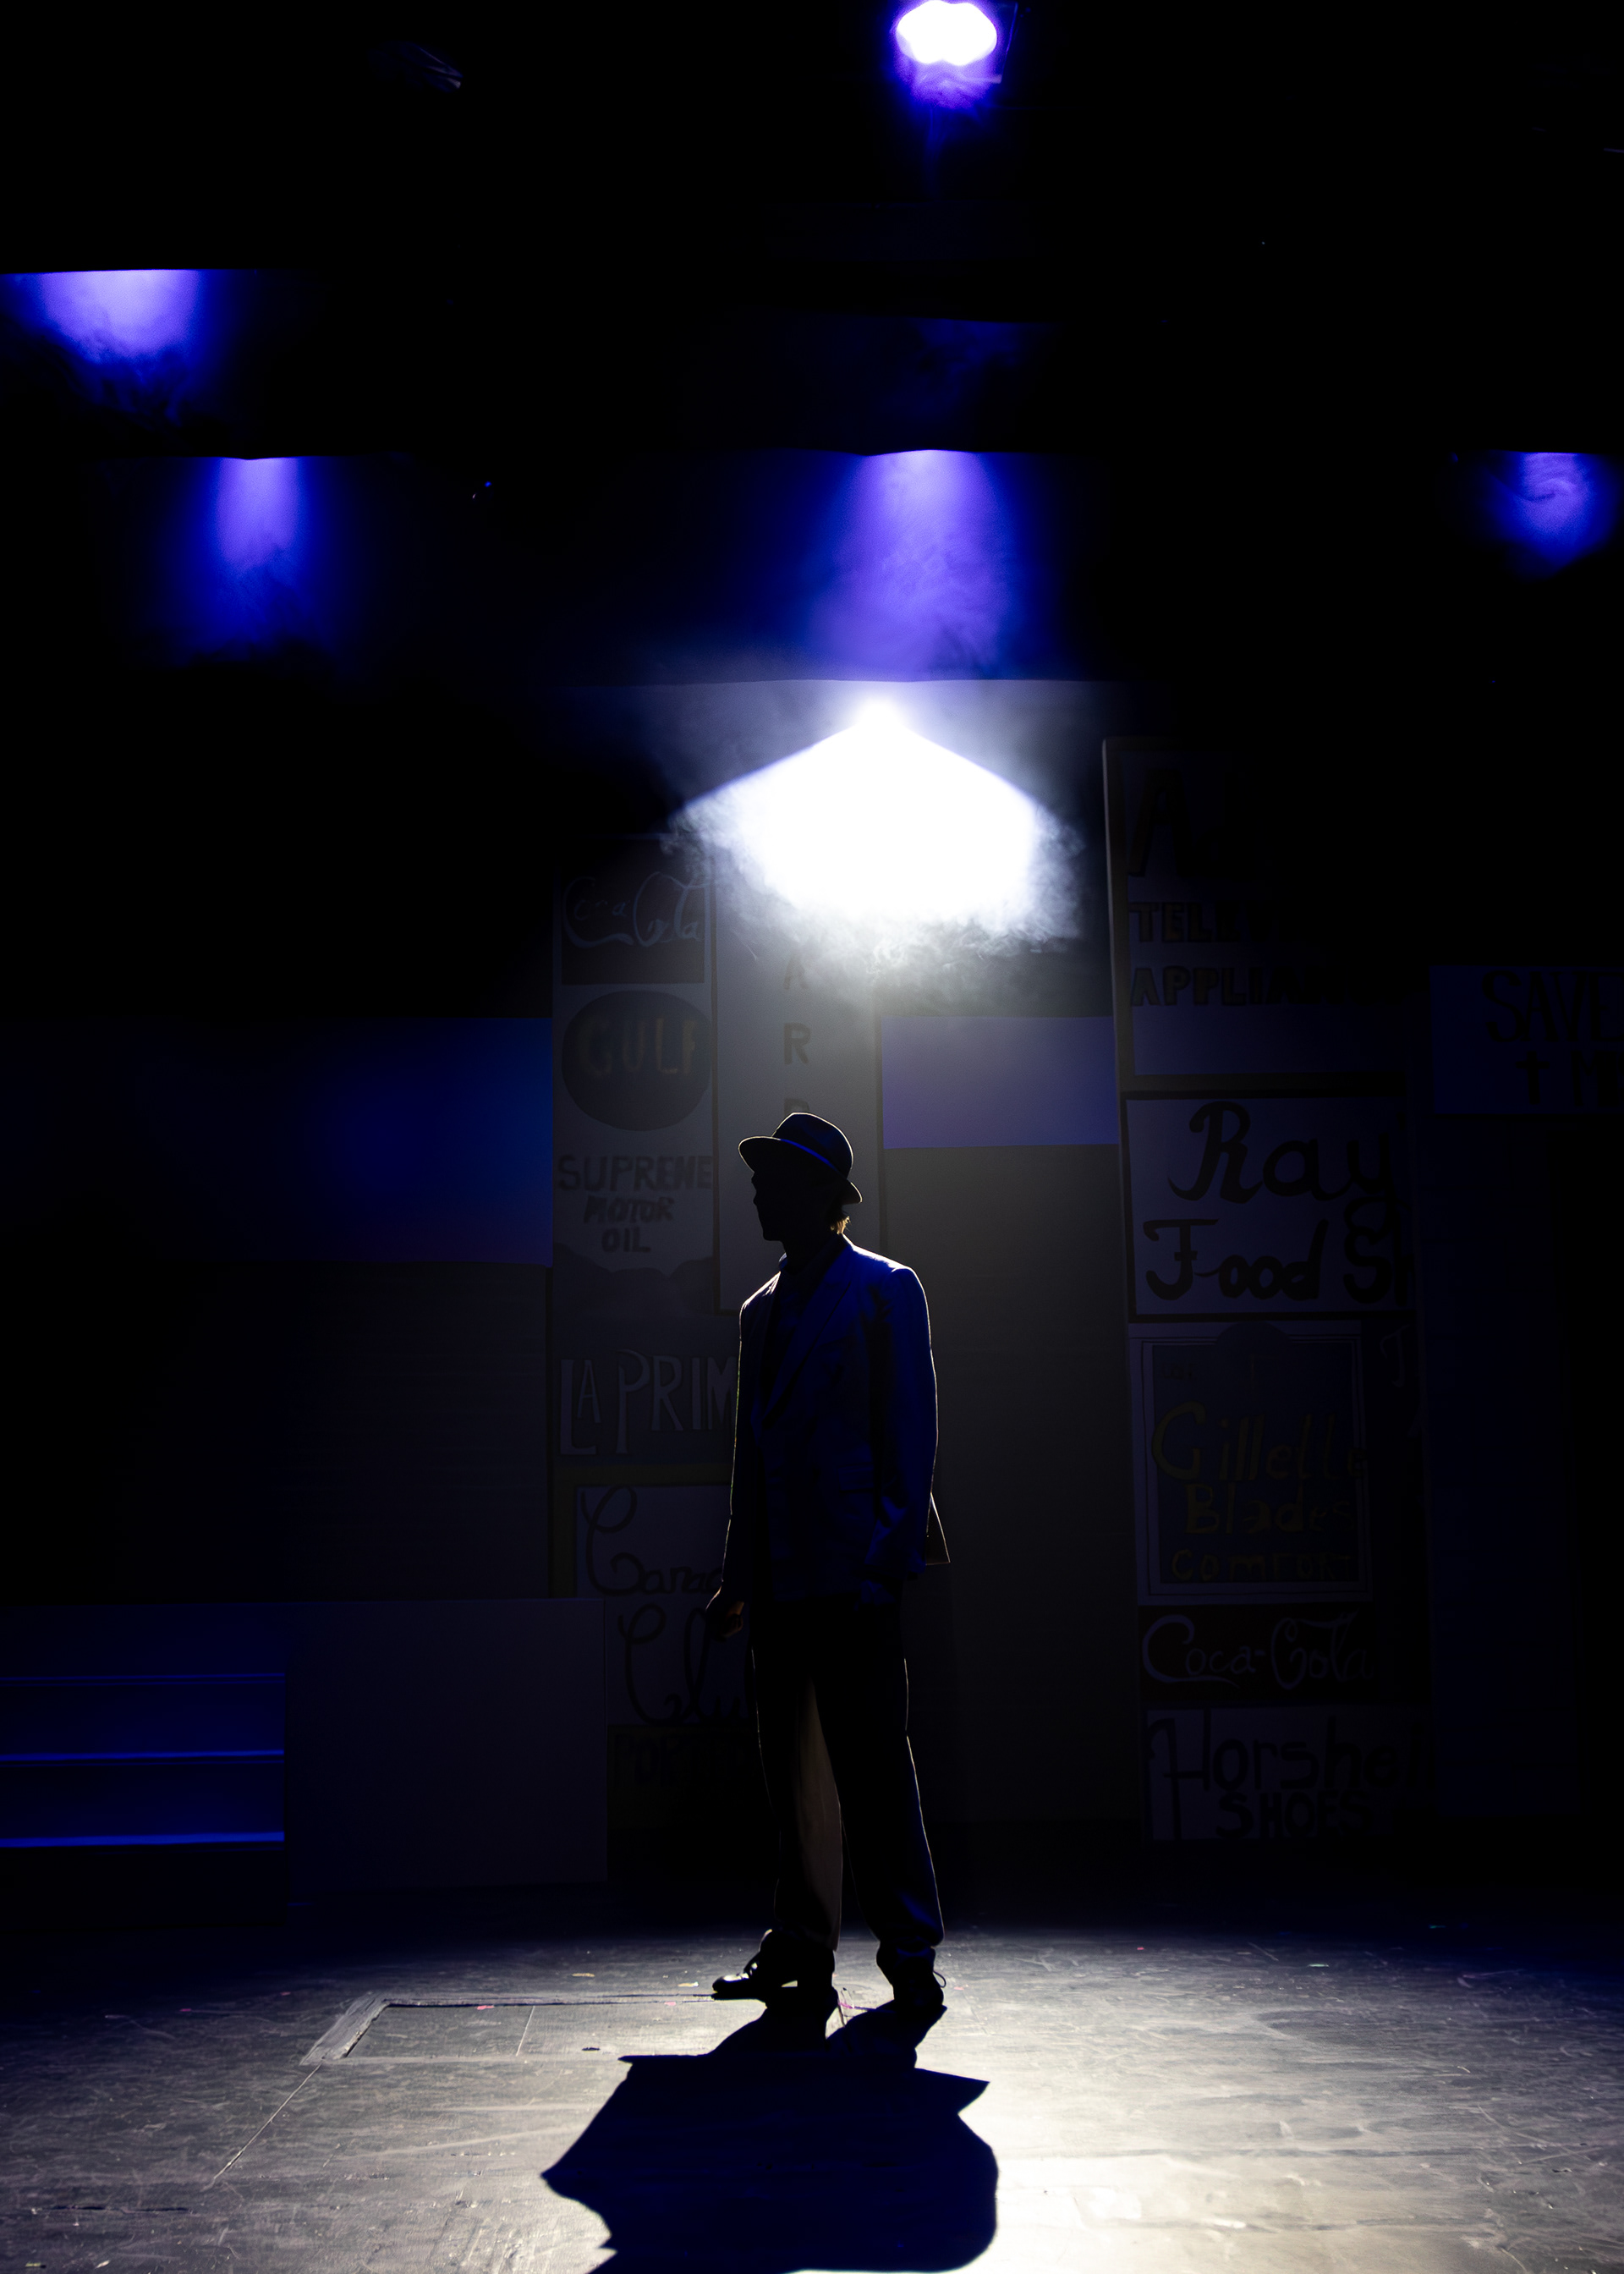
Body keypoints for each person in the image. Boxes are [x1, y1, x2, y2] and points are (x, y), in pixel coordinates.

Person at [707, 1111, 947, 2018]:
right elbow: (752, 1456)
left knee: (874, 1767)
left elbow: (910, 1436)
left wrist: (886, 1564)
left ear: (818, 1194)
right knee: (793, 1774)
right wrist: (738, 1577)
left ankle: (911, 1950)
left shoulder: (886, 1288)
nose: (757, 1195)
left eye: (771, 1181)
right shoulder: (759, 1310)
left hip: (852, 1571)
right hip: (781, 1575)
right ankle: (803, 1942)